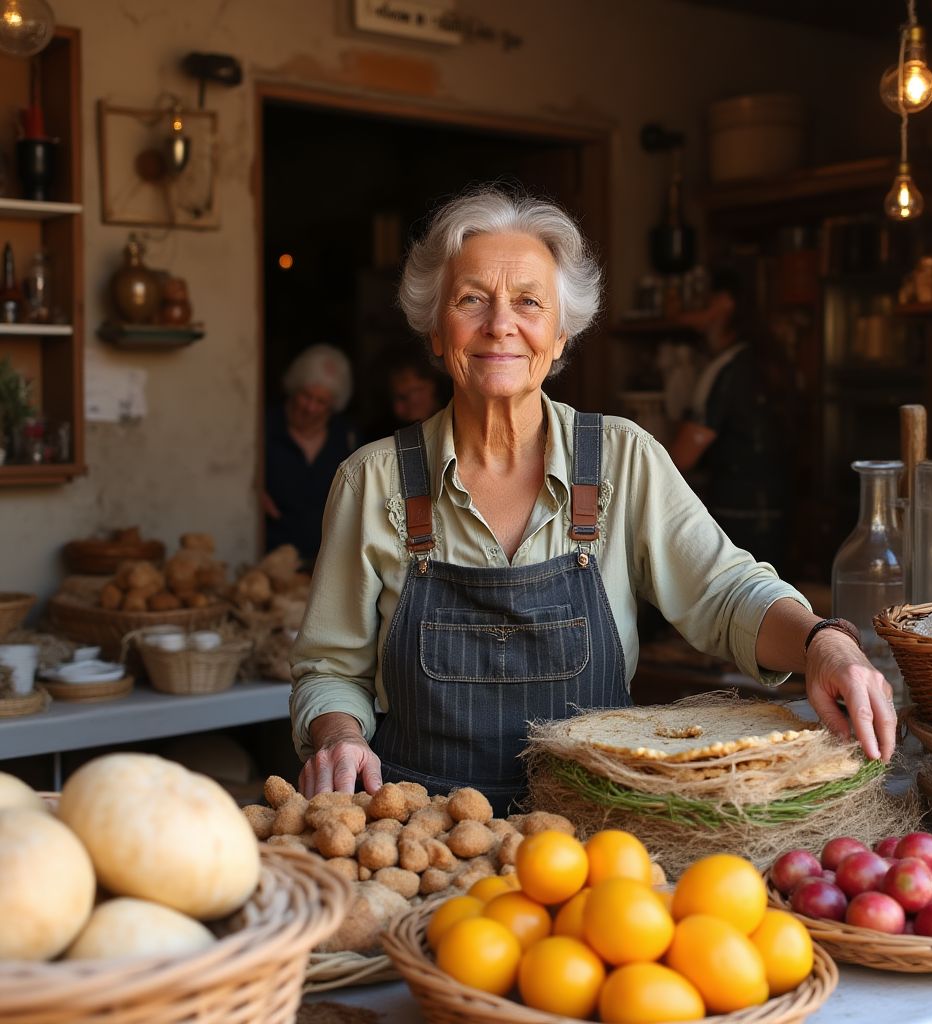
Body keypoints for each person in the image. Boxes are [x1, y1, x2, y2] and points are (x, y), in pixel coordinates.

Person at [291, 186, 896, 810]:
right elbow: (330, 670)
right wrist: (338, 736)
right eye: (471, 300)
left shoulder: (622, 459)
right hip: (421, 837)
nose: (500, 324)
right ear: (437, 334)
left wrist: (826, 642)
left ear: (558, 338)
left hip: (595, 837)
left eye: (528, 302)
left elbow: (725, 593)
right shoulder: (372, 481)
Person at [668, 268, 789, 569]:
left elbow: (682, 457)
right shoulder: (772, 361)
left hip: (735, 515)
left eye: (705, 300)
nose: (693, 309)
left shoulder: (725, 368)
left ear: (725, 304)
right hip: (780, 510)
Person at [263, 344, 362, 567]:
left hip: (328, 560)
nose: (310, 408)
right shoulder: (264, 428)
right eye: (306, 396)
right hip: (270, 557)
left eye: (321, 402)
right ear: (294, 388)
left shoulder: (347, 438)